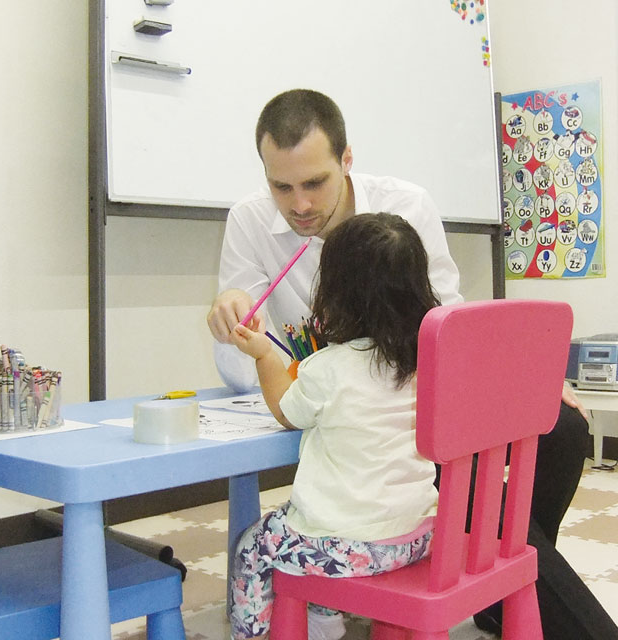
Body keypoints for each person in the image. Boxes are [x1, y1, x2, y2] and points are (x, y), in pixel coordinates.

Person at [208, 89, 617, 639]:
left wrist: (520, 386)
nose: (299, 205)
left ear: (346, 160)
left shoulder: (405, 205)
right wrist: (236, 325)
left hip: (422, 394)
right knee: (472, 494)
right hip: (346, 412)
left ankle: (493, 587)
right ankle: (508, 585)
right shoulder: (250, 221)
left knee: (562, 429)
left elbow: (450, 324)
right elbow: (243, 363)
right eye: (282, 187)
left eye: (315, 184)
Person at [229, 213, 440, 640]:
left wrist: (264, 356)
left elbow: (287, 411)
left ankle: (252, 634)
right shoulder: (429, 362)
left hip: (351, 549)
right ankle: (323, 619)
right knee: (318, 516)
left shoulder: (328, 368)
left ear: (337, 293)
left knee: (255, 545)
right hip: (419, 534)